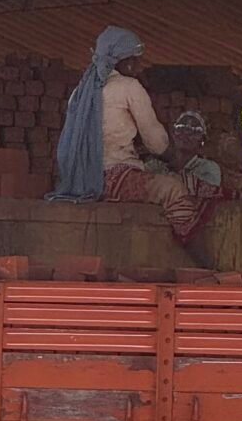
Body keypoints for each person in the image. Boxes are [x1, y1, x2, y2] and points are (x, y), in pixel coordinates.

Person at [50, 26, 216, 261]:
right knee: (173, 189)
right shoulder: (129, 87)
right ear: (125, 62)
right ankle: (203, 263)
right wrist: (172, 156)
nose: (139, 67)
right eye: (137, 61)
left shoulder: (81, 91)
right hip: (113, 178)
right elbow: (156, 142)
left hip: (81, 178)